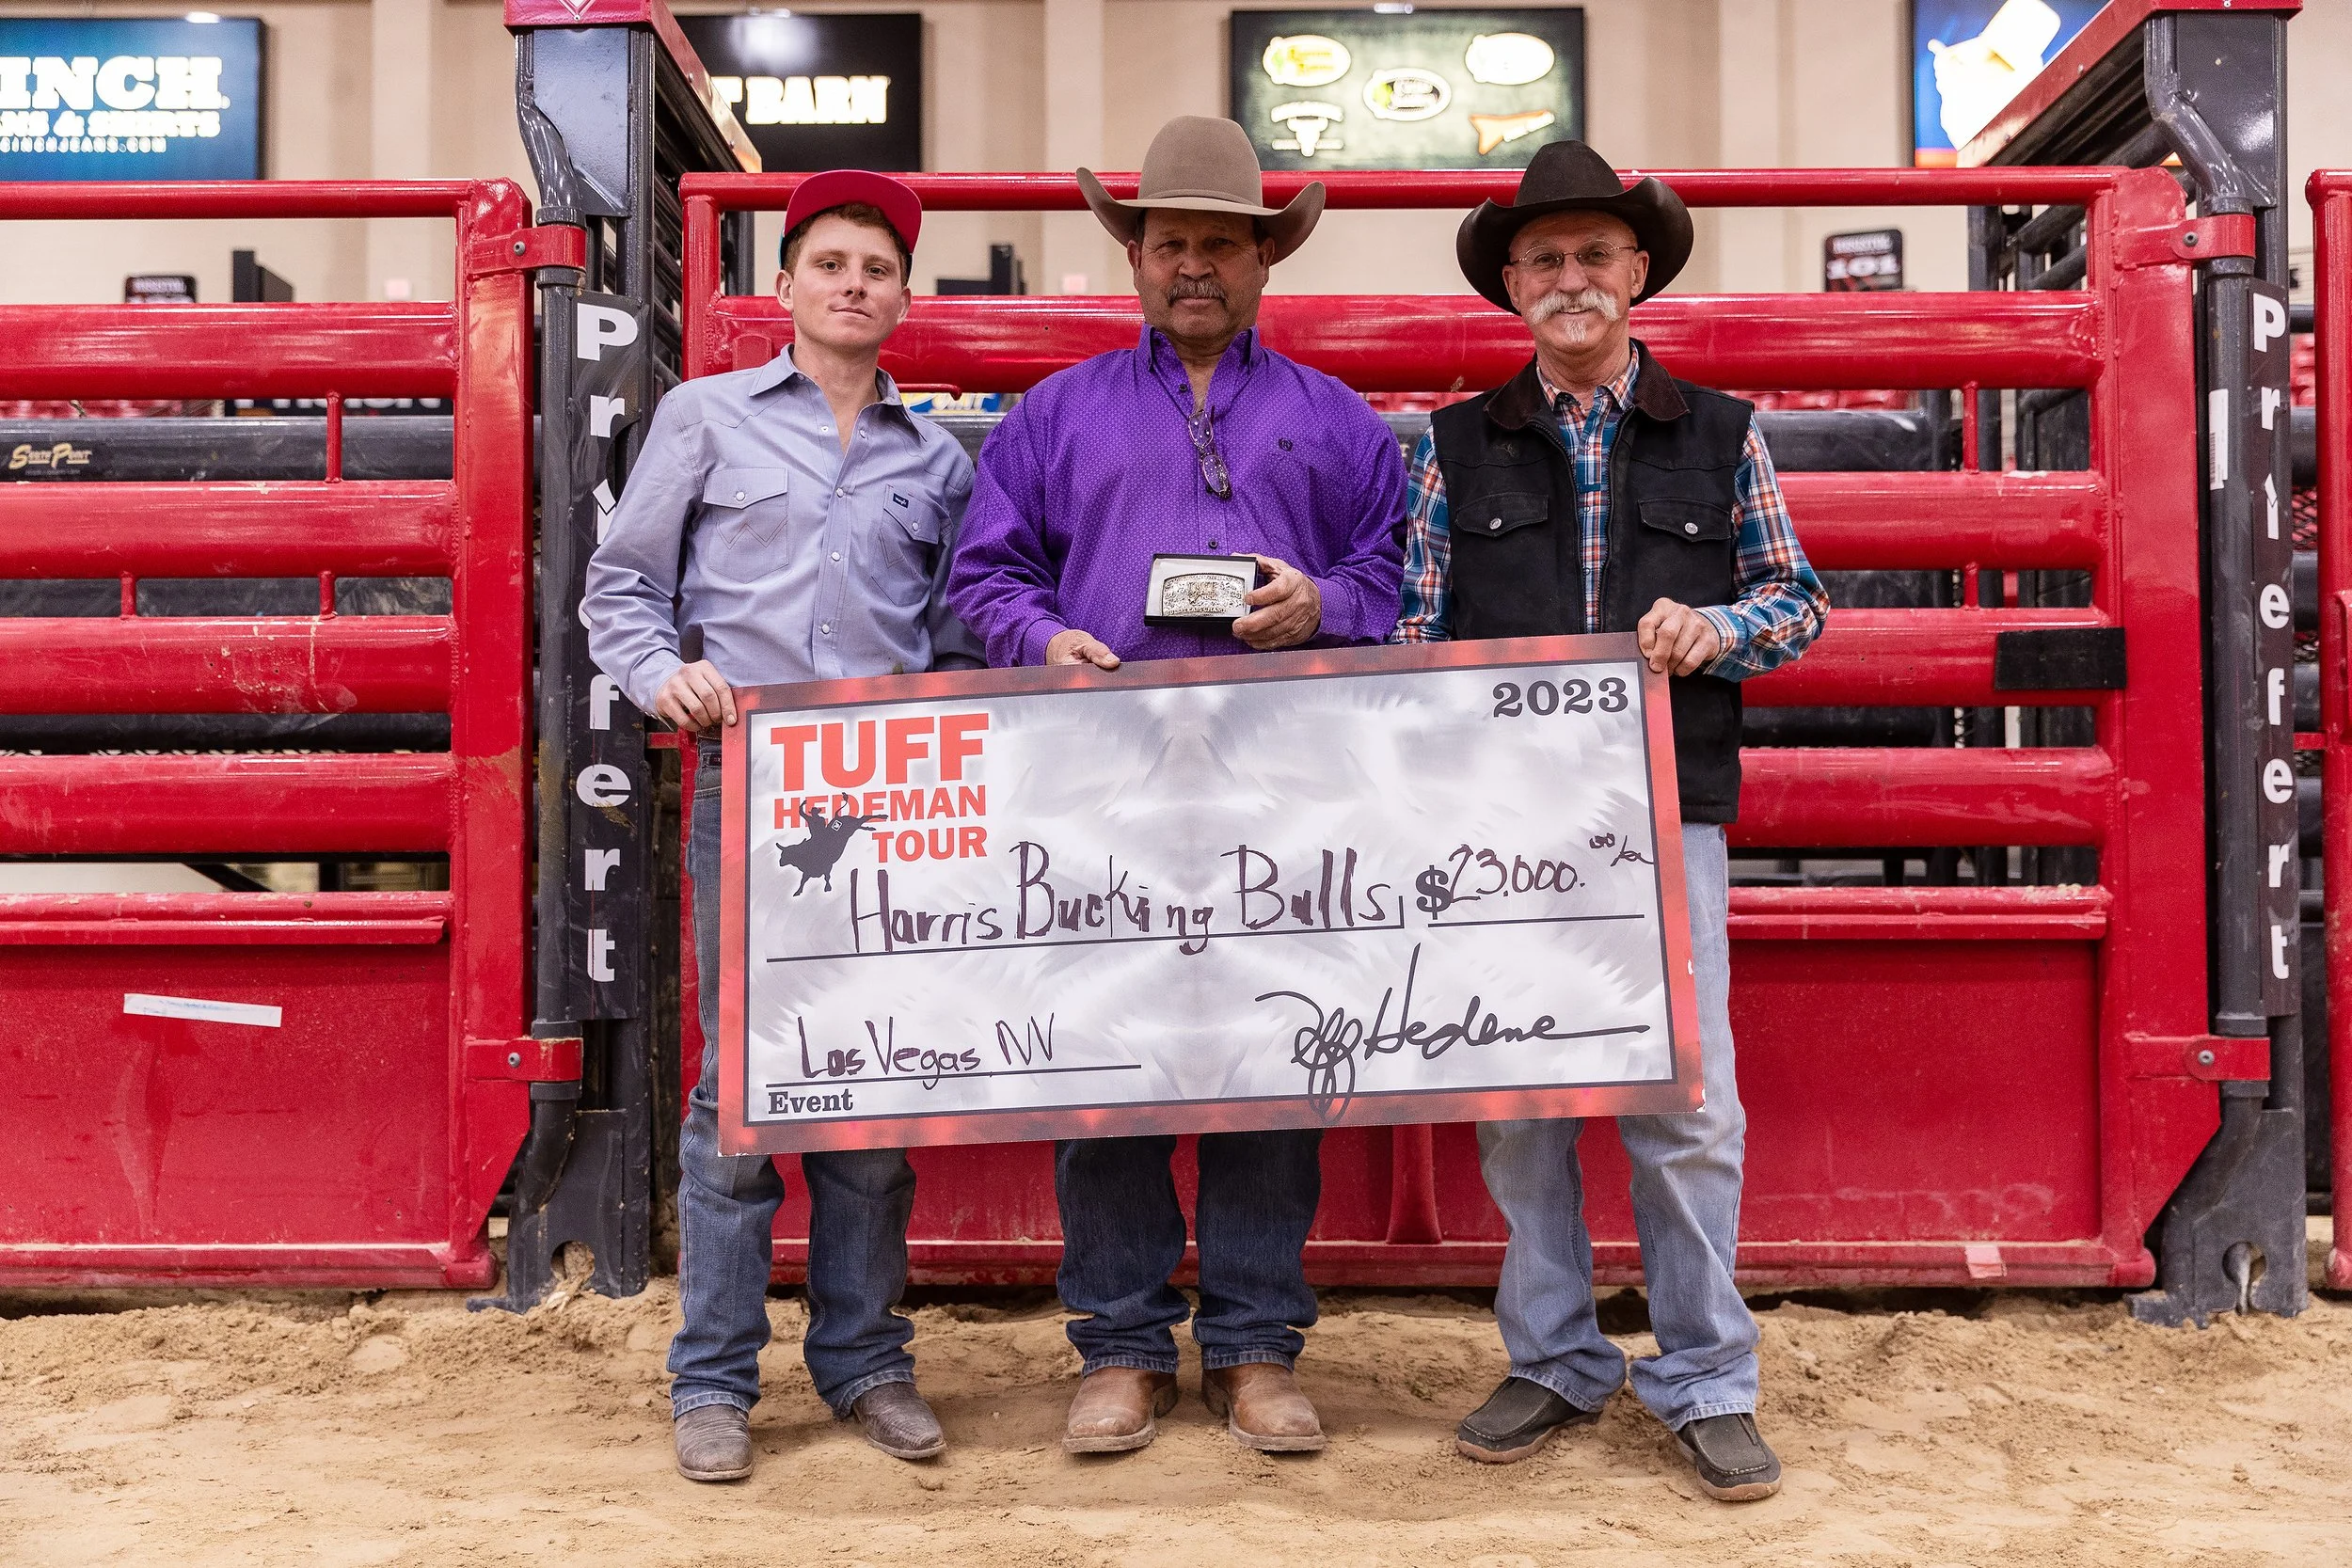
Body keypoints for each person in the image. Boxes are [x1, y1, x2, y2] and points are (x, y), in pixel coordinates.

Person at [947, 115, 1406, 1456]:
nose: (1192, 265)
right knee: (1112, 1063)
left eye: (1219, 243)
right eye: (1169, 244)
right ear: (1133, 260)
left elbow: (1397, 578)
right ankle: (1124, 1344)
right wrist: (1045, 639)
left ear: (1267, 260)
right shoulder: (1052, 416)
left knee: (1275, 1053)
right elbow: (985, 578)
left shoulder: (1340, 422)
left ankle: (1258, 1344)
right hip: (1104, 776)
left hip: (1285, 778)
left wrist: (1323, 602)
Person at [1393, 140, 1826, 1500]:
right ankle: (1557, 1355)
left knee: (1687, 1102)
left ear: (1637, 272)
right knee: (1518, 1100)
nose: (1571, 279)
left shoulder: (1726, 431)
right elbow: (1415, 628)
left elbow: (1799, 601)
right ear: (1510, 286)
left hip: (1666, 816)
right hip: (1497, 832)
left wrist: (1717, 624)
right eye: (1544, 260)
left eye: (1595, 256)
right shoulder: (1450, 447)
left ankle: (1705, 1376)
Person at [583, 170, 980, 1480]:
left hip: (898, 807)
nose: (854, 284)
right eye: (830, 265)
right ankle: (712, 1378)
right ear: (785, 287)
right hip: (750, 791)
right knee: (736, 1091)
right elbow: (620, 589)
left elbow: (966, 630)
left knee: (871, 1082)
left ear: (906, 296)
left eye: (877, 266)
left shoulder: (940, 459)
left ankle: (867, 1361)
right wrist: (664, 677)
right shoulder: (704, 420)